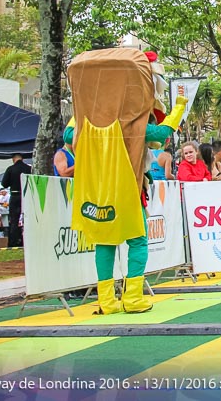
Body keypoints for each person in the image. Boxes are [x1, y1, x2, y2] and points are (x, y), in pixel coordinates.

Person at [68, 48, 187, 315]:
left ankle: (106, 300)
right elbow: (161, 132)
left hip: (97, 189)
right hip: (127, 189)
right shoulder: (131, 122)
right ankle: (132, 297)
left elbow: (68, 135)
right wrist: (179, 109)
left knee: (105, 241)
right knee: (137, 239)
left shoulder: (83, 120)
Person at [1, 153, 30, 247]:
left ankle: (12, 243)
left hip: (14, 195)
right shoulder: (29, 169)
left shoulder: (10, 169)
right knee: (28, 219)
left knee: (14, 220)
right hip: (26, 196)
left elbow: (4, 184)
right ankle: (26, 240)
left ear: (14, 159)